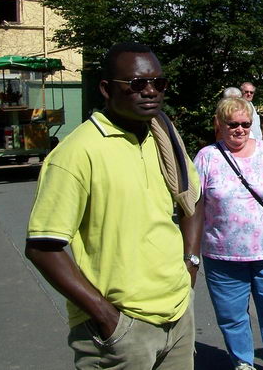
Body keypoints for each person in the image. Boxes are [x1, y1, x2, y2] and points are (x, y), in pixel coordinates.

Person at [25, 42, 202, 369]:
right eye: (137, 84)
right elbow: (42, 246)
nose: (150, 91)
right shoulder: (77, 153)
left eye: (158, 83)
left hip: (178, 314)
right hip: (122, 327)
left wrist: (190, 264)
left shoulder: (164, 135)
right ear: (106, 89)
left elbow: (193, 197)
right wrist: (107, 317)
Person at [194, 96, 263, 370]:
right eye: (233, 124)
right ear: (219, 124)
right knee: (232, 316)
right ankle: (243, 362)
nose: (240, 129)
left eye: (246, 124)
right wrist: (188, 251)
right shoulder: (208, 157)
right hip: (222, 255)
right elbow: (193, 207)